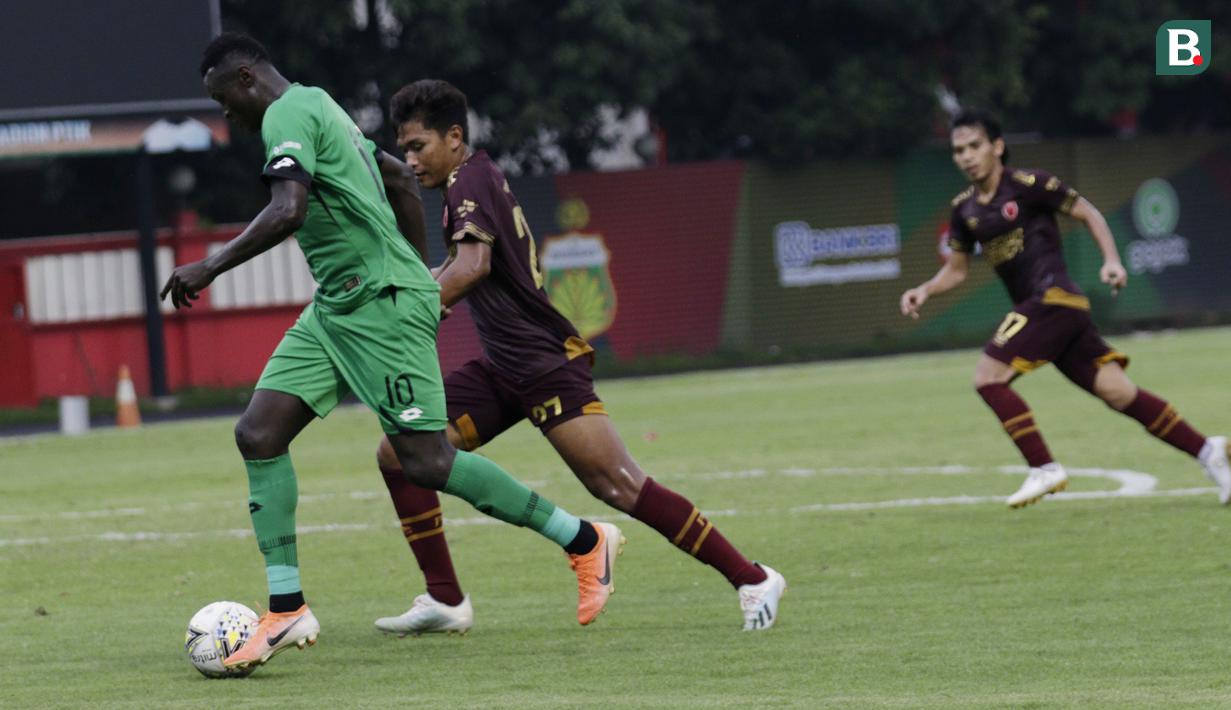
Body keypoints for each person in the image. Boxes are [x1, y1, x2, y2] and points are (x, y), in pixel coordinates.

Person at [162, 34, 622, 671]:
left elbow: (288, 208)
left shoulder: (285, 116)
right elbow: (401, 178)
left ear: (245, 78)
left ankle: (584, 538)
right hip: (337, 309)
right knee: (259, 432)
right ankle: (287, 606)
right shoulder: (323, 105)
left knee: (428, 462)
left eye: (222, 101)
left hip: (377, 306)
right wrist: (413, 267)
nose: (227, 118)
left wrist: (209, 266)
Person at [370, 79, 786, 635]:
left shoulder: (469, 180)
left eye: (418, 145)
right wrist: (414, 287)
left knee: (618, 485)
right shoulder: (468, 181)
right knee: (401, 452)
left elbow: (472, 269)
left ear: (454, 137)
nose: (410, 158)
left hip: (543, 363)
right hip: (502, 366)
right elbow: (458, 269)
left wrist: (412, 308)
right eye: (404, 148)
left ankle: (753, 577)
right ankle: (445, 598)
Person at [899, 109, 1230, 509]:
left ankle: (1043, 467)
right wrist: (925, 290)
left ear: (997, 147)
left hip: (1054, 297)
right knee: (1118, 392)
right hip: (1048, 312)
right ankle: (1207, 451)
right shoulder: (964, 211)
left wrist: (1111, 260)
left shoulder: (1029, 184)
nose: (967, 156)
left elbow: (1087, 212)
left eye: (974, 146)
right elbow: (956, 271)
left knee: (988, 378)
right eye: (958, 150)